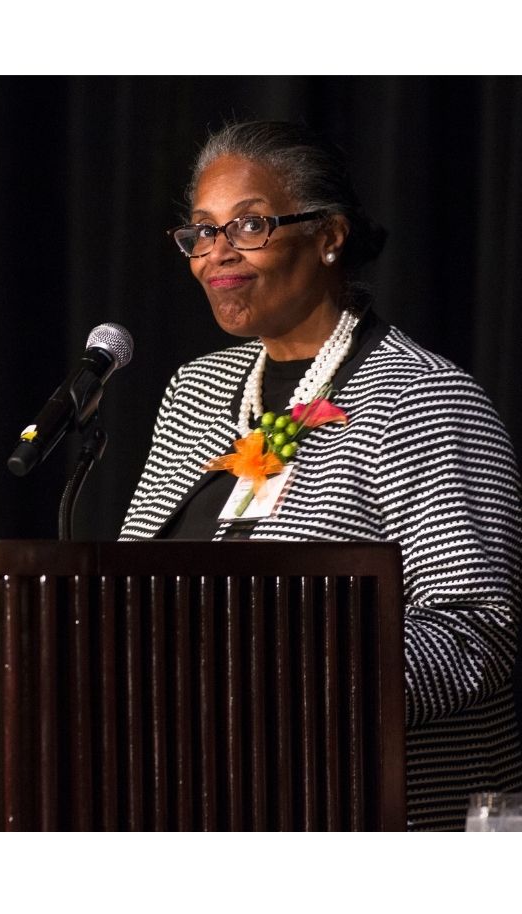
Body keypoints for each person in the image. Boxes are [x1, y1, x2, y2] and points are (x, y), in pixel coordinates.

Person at [123, 120, 522, 830]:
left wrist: (279, 682)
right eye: (203, 231)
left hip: (370, 818)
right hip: (199, 805)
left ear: (330, 235)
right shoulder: (196, 392)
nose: (217, 253)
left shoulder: (421, 398)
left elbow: (474, 635)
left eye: (249, 225)